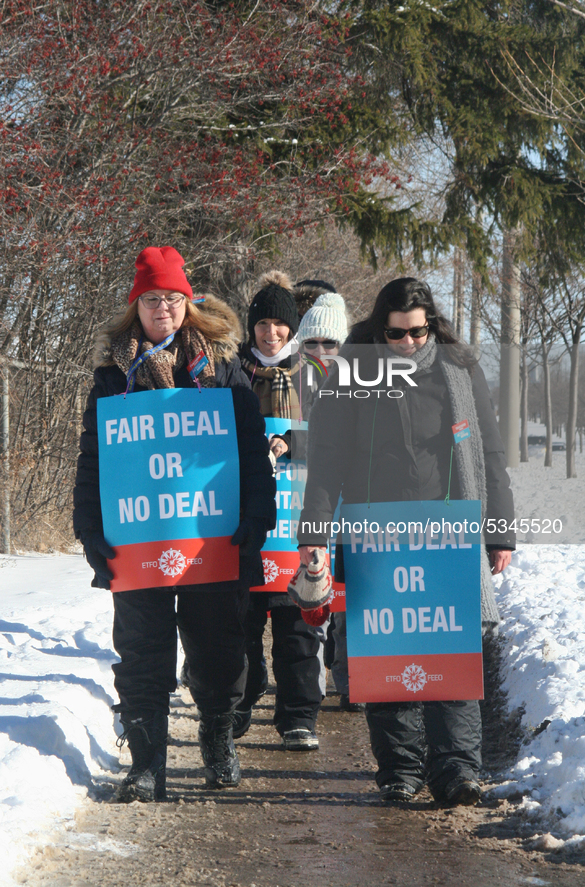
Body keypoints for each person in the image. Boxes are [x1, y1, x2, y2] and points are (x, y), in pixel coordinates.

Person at [298, 277, 515, 806]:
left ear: (431, 325)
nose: (409, 343)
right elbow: (326, 459)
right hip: (376, 532)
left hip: (449, 528)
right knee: (388, 651)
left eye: (418, 332)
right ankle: (400, 768)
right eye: (397, 334)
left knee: (453, 648)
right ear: (379, 328)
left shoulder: (458, 369)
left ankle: (457, 770)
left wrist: (500, 529)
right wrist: (314, 533)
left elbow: (487, 452)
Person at [73, 246, 275, 801]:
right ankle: (146, 764)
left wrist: (258, 516)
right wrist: (90, 529)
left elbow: (252, 454)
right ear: (136, 305)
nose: (163, 308)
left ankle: (216, 733)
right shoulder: (114, 377)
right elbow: (94, 460)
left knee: (217, 649)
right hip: (138, 541)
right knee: (142, 650)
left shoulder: (224, 369)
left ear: (189, 303)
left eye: (173, 298)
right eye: (152, 299)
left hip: (212, 537)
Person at [236, 270, 325, 751]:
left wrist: (290, 440)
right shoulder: (231, 372)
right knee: (242, 622)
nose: (270, 334)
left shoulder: (313, 373)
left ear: (293, 329)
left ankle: (298, 716)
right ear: (251, 328)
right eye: (263, 324)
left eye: (280, 325)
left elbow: (337, 433)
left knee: (298, 623)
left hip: (299, 515)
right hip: (246, 515)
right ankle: (242, 699)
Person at [297, 292, 362, 713]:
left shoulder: (364, 385)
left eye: (330, 343)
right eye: (312, 343)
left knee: (347, 598)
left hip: (351, 504)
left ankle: (350, 681)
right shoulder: (290, 383)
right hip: (300, 505)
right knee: (309, 598)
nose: (321, 352)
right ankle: (305, 688)